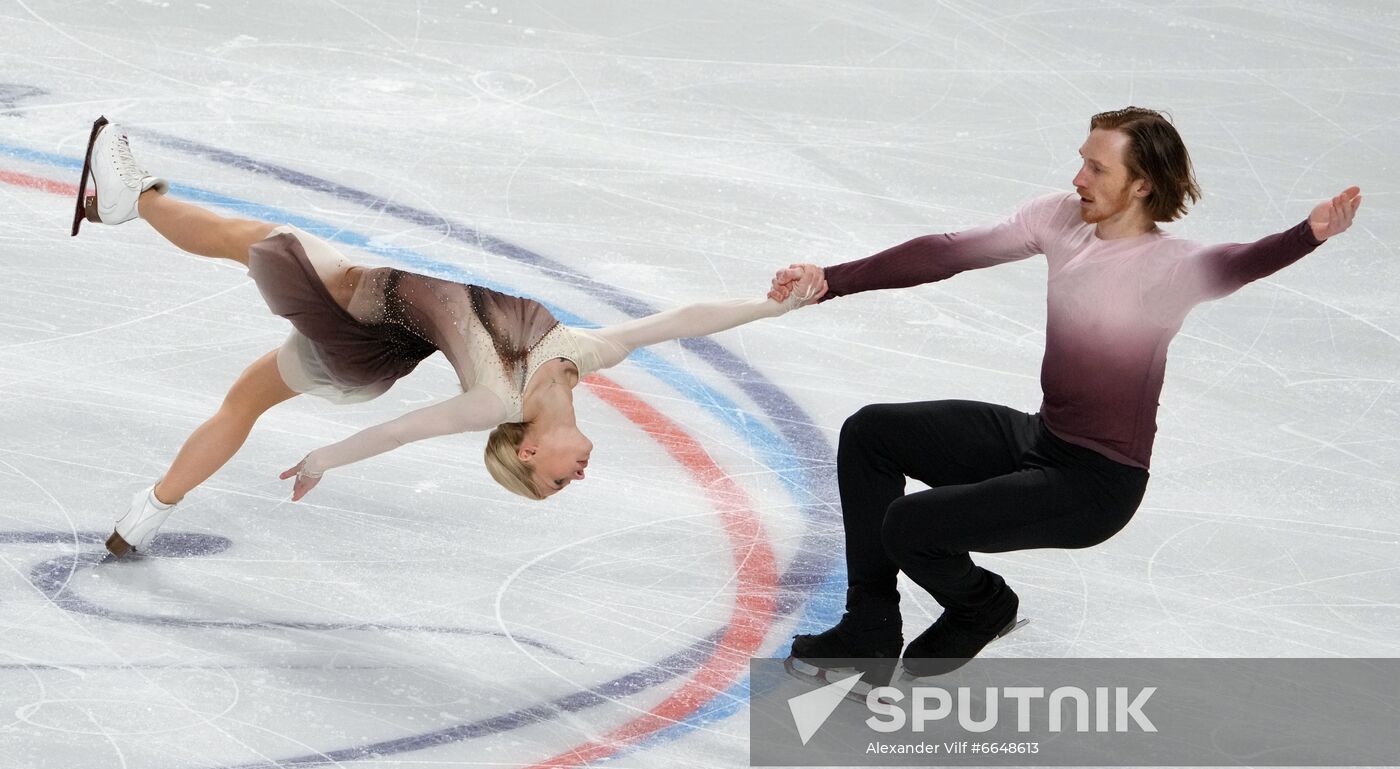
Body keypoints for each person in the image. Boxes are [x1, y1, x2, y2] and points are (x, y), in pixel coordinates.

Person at [769, 106, 1361, 679]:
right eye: (1083, 161)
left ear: (1141, 186)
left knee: (909, 525)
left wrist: (1308, 234)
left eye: (1098, 169)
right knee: (872, 433)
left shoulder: (1171, 269)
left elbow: (1240, 262)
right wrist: (832, 282)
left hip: (1096, 483)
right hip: (1042, 440)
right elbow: (946, 252)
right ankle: (869, 631)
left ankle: (983, 606)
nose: (1079, 178)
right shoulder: (1062, 220)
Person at [72, 117, 819, 556]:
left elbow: (401, 432)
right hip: (368, 333)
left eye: (556, 480)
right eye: (568, 483)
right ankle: (148, 513)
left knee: (274, 245)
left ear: (528, 450)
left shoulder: (496, 402)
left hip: (355, 343)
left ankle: (136, 198)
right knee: (243, 396)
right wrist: (772, 304)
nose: (577, 478)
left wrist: (325, 458)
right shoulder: (584, 357)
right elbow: (682, 322)